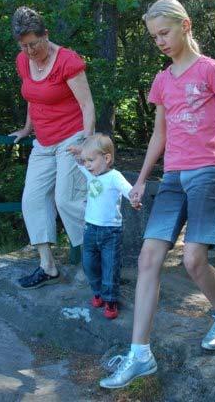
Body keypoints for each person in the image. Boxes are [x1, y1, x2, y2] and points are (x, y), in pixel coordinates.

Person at [99, 0, 215, 389]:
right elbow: (160, 134)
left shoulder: (209, 69)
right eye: (153, 37)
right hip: (172, 178)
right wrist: (142, 178)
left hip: (207, 173)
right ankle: (140, 354)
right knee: (149, 257)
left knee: (194, 262)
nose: (160, 42)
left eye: (164, 33)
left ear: (186, 25)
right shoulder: (162, 80)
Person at [8, 6, 95, 289]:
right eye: (24, 46)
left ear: (46, 35)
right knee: (32, 199)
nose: (30, 51)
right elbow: (33, 97)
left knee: (67, 200)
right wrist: (26, 128)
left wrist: (87, 143)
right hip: (43, 140)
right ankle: (47, 267)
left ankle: (98, 257)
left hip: (72, 137)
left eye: (34, 43)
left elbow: (87, 104)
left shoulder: (67, 61)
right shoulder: (23, 61)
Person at [68, 133, 134, 319]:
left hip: (110, 231)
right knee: (89, 264)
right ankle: (97, 292)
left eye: (91, 160)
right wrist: (78, 153)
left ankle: (110, 301)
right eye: (85, 161)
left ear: (106, 158)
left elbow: (128, 190)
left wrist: (135, 199)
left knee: (110, 266)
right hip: (90, 229)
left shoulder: (114, 176)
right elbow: (80, 163)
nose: (87, 164)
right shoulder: (90, 173)